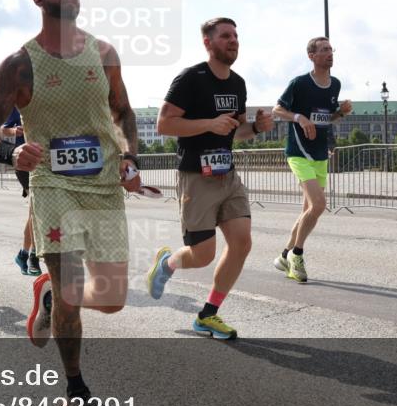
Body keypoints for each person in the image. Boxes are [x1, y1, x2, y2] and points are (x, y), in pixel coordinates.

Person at [0, 0, 141, 406]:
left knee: (111, 299)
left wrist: (130, 158)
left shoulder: (103, 53)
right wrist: (9, 151)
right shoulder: (20, 64)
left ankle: (49, 296)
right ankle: (76, 391)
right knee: (72, 288)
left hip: (103, 185)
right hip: (52, 184)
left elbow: (124, 113)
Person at [145, 18, 274, 340]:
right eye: (225, 36)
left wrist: (256, 128)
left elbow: (236, 131)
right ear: (208, 42)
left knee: (242, 242)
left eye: (236, 35)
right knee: (202, 255)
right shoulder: (191, 78)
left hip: (227, 175)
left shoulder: (238, 83)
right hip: (196, 176)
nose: (233, 40)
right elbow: (164, 124)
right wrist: (208, 124)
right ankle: (167, 263)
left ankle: (208, 315)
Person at [271, 36, 352, 281]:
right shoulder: (300, 83)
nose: (330, 53)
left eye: (331, 49)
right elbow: (277, 110)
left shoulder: (335, 84)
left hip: (319, 154)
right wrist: (299, 118)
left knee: (309, 210)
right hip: (299, 152)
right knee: (318, 205)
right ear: (312, 56)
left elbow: (327, 119)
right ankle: (297, 255)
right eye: (324, 50)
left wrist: (341, 113)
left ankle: (284, 256)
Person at [0, 107, 41, 276]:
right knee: (38, 208)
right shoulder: (17, 106)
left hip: (45, 161)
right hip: (24, 163)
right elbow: (1, 130)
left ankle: (24, 254)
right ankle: (33, 256)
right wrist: (14, 130)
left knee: (35, 211)